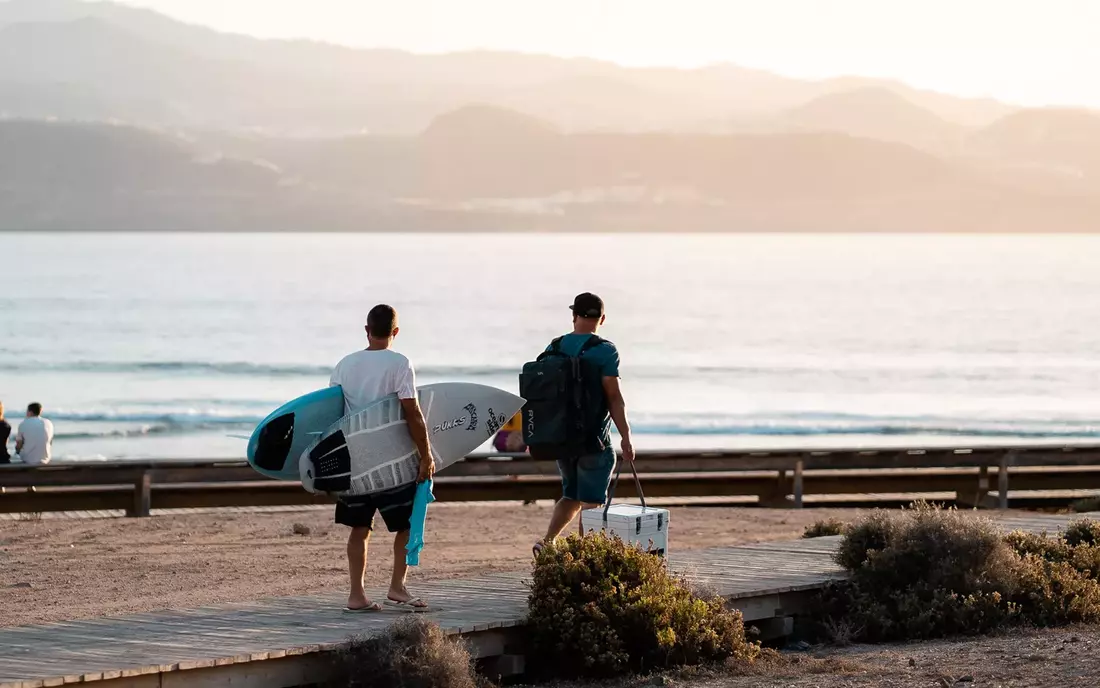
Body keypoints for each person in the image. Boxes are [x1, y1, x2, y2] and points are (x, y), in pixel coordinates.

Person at [328, 304, 435, 613]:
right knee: (404, 526)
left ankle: (356, 595)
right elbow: (411, 412)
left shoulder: (345, 365)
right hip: (391, 463)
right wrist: (426, 455)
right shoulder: (400, 363)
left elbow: (332, 413)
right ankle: (397, 587)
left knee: (359, 528)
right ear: (395, 332)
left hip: (355, 461)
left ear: (366, 330)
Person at [533, 293, 634, 556]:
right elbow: (614, 396)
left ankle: (548, 542)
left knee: (571, 495)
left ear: (574, 316)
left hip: (561, 440)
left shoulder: (554, 347)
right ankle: (584, 557)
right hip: (594, 441)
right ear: (602, 318)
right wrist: (626, 437)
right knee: (592, 502)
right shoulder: (605, 351)